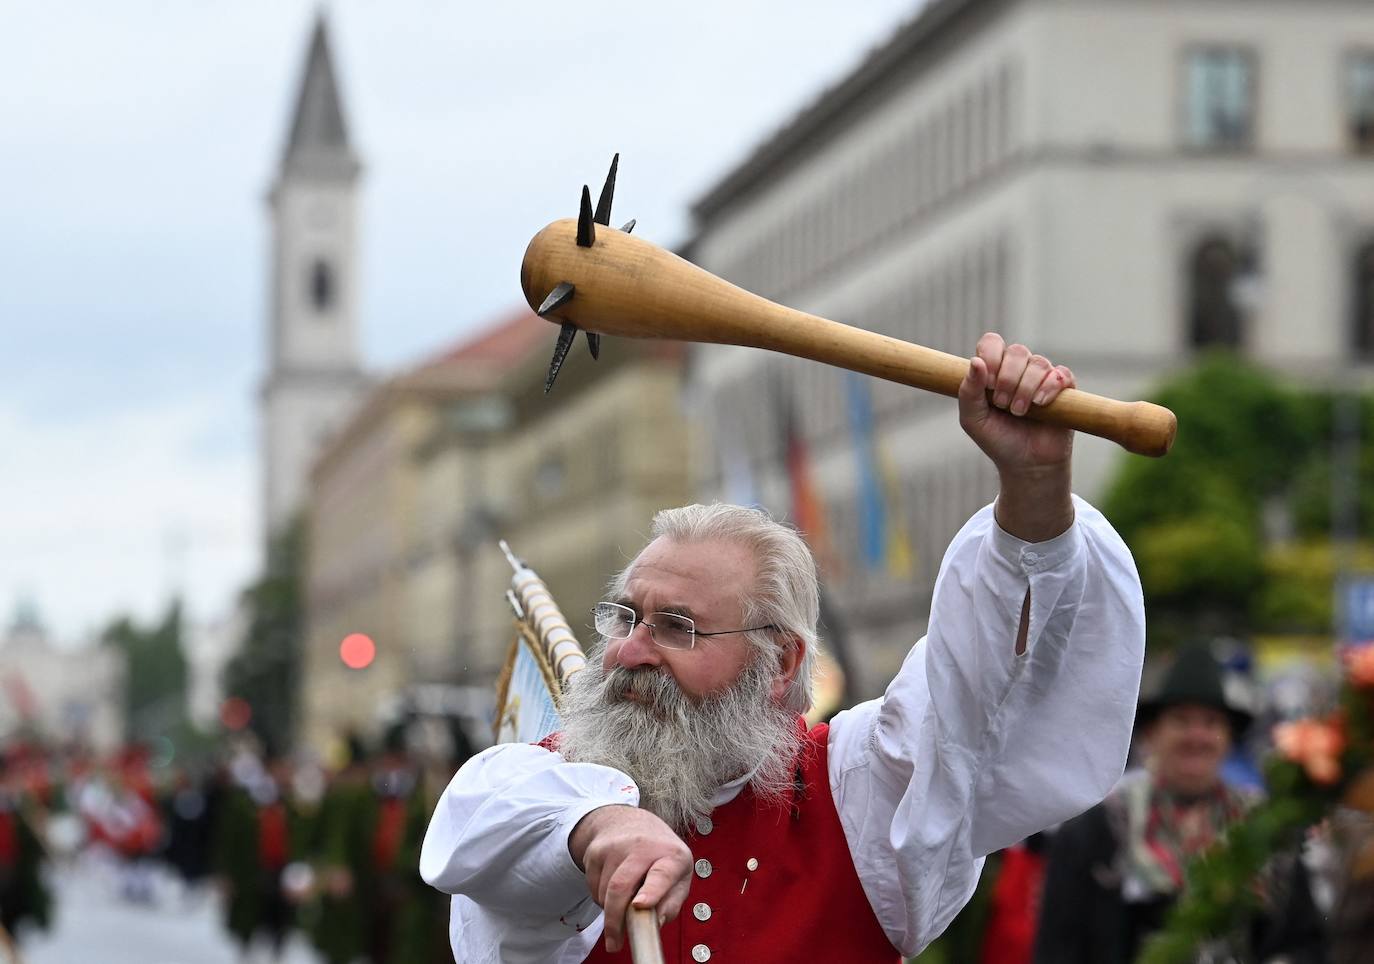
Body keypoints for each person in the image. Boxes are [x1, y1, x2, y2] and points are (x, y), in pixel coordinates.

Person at [421, 334, 1147, 962]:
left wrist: (1033, 484)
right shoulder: (541, 786)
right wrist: (600, 827)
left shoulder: (857, 790)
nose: (631, 651)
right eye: (626, 617)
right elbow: (479, 820)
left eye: (677, 627)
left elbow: (984, 679)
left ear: (782, 664)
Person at [1033, 644, 1326, 964]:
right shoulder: (1098, 828)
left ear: (1228, 739)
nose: (1196, 737)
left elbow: (1306, 941)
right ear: (1151, 734)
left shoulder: (1262, 828)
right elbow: (1057, 946)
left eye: (1211, 723)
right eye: (1181, 721)